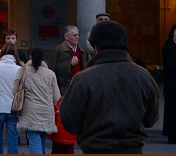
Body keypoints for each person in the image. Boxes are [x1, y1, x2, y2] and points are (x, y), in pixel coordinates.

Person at [59, 21, 160, 154]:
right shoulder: (143, 76)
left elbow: (70, 122)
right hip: (133, 148)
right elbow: (150, 119)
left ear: (95, 47)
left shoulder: (83, 79)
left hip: (95, 148)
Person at [17, 47, 60, 154]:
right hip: (46, 111)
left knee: (34, 138)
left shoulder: (23, 71)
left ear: (30, 56)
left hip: (30, 110)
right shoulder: (51, 74)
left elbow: (15, 90)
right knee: (41, 138)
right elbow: (56, 97)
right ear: (43, 57)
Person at [49, 25, 88, 96]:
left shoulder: (83, 51)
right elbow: (52, 69)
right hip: (64, 88)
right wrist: (69, 64)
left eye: (78, 35)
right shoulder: (58, 50)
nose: (77, 37)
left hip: (81, 86)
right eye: (74, 35)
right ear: (66, 37)